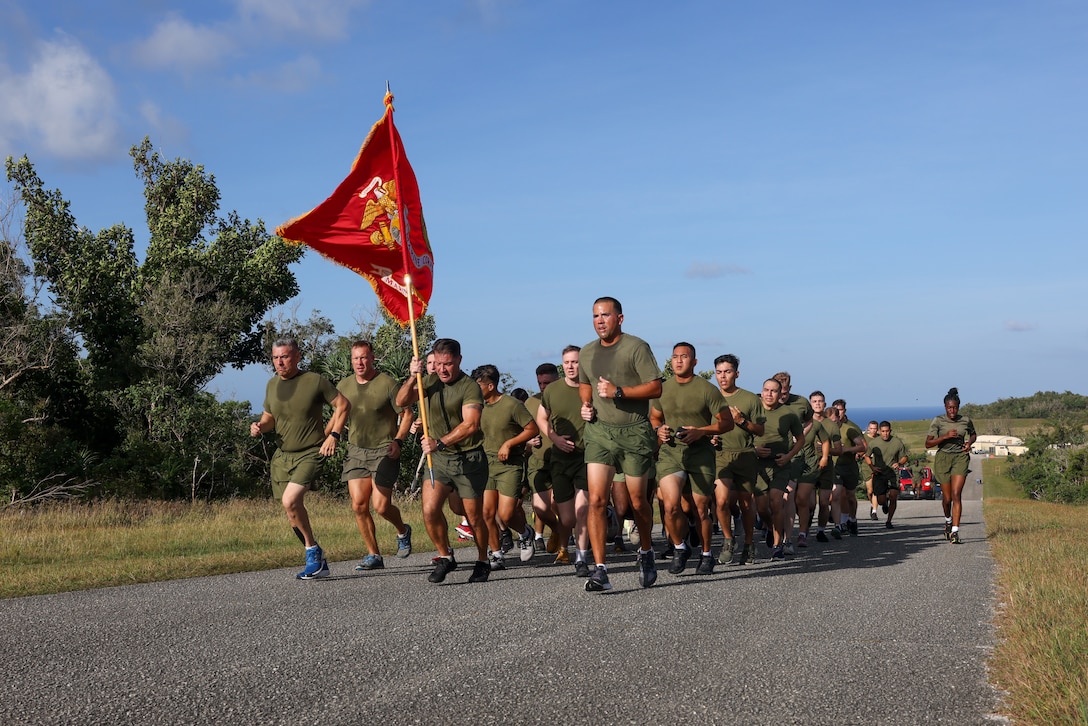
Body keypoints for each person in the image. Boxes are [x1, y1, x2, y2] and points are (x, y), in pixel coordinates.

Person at [578, 297, 662, 592]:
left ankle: (647, 552)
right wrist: (586, 405)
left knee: (638, 502)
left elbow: (655, 386)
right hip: (599, 432)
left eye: (605, 315)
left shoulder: (636, 347)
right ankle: (601, 570)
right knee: (597, 500)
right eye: (595, 316)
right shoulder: (587, 351)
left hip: (634, 432)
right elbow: (585, 383)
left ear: (620, 318)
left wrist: (619, 392)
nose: (599, 321)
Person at [250, 338, 351, 579]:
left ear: (297, 356)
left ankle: (312, 553)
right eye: (275, 357)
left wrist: (334, 435)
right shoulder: (272, 385)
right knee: (291, 510)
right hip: (283, 457)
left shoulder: (314, 381)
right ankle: (315, 555)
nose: (279, 362)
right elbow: (269, 418)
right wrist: (259, 427)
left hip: (311, 452)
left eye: (284, 356)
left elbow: (344, 405)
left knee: (290, 500)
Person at [395, 338, 491, 584]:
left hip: (468, 459)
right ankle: (446, 556)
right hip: (438, 461)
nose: (442, 369)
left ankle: (482, 560)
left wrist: (440, 442)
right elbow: (401, 401)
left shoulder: (470, 387)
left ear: (459, 360)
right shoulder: (428, 381)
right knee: (429, 510)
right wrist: (411, 376)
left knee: (473, 516)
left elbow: (471, 424)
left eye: (447, 364)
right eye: (437, 364)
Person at [650, 342, 732, 575]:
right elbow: (655, 417)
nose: (678, 361)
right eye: (675, 356)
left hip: (700, 455)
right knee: (670, 505)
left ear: (694, 362)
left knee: (700, 509)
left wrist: (702, 431)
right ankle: (679, 547)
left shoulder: (707, 390)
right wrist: (660, 430)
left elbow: (726, 423)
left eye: (684, 357)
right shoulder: (663, 388)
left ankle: (706, 554)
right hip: (671, 454)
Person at [336, 340, 415, 571]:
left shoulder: (387, 383)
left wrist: (398, 441)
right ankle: (374, 555)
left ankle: (403, 530)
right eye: (355, 358)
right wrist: (330, 435)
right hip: (356, 451)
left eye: (363, 357)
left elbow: (407, 414)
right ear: (351, 361)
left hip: (384, 449)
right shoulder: (345, 385)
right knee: (359, 506)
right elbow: (339, 414)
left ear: (372, 358)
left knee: (381, 506)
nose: (359, 362)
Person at [472, 364, 539, 570]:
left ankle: (525, 533)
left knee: (507, 514)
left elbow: (532, 428)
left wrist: (509, 443)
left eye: (478, 386)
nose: (475, 391)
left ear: (490, 386)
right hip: (486, 464)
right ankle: (497, 554)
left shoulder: (511, 405)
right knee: (487, 513)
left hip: (510, 465)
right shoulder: (476, 406)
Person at [538, 345, 592, 575]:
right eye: (567, 362)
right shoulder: (552, 390)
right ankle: (563, 544)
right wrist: (554, 438)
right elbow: (542, 418)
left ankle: (582, 558)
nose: (571, 366)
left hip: (587, 456)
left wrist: (592, 414)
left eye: (576, 362)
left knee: (582, 512)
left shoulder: (591, 388)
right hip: (560, 459)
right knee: (567, 517)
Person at [710, 354, 765, 566]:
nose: (723, 377)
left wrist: (741, 420)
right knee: (721, 501)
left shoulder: (750, 399)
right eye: (719, 372)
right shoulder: (711, 397)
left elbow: (760, 430)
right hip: (721, 455)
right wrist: (711, 438)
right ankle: (727, 539)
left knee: (745, 503)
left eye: (727, 372)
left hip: (745, 454)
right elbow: (706, 425)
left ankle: (749, 543)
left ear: (737, 374)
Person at [752, 378, 805, 559]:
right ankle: (768, 526)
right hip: (758, 465)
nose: (769, 394)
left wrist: (789, 456)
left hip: (780, 464)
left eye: (773, 391)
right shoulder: (754, 410)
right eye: (766, 390)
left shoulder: (788, 414)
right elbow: (743, 435)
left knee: (776, 501)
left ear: (780, 393)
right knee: (761, 508)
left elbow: (801, 439)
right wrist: (754, 451)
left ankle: (777, 545)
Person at [925, 387, 977, 544]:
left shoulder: (965, 420)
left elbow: (973, 434)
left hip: (960, 458)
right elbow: (928, 443)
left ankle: (955, 531)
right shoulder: (938, 421)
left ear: (958, 407)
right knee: (947, 498)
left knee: (956, 495)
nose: (952, 411)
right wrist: (945, 437)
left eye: (954, 407)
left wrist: (969, 442)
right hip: (943, 459)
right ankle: (948, 520)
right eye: (949, 408)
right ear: (945, 407)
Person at [523, 363, 563, 560]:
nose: (543, 387)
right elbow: (522, 432)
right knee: (540, 508)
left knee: (558, 504)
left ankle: (565, 545)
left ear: (557, 380)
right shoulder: (530, 403)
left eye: (547, 382)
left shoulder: (567, 397)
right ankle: (557, 529)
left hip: (562, 460)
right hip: (538, 460)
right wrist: (528, 441)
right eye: (539, 383)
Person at [863, 421, 909, 529]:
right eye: (883, 431)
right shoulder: (874, 443)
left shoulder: (897, 442)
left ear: (890, 431)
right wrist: (872, 467)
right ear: (880, 431)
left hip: (893, 473)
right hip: (879, 473)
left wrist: (899, 463)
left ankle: (889, 521)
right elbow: (866, 456)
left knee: (893, 496)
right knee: (881, 500)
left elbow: (905, 456)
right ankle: (884, 504)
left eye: (887, 431)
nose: (885, 434)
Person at [831, 399, 867, 536]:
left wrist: (848, 450)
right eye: (834, 410)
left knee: (850, 496)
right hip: (835, 467)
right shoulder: (827, 427)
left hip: (849, 466)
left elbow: (863, 446)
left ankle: (852, 520)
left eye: (839, 410)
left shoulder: (851, 428)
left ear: (844, 411)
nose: (836, 413)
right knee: (837, 495)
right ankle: (839, 525)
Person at [862, 420, 880, 520]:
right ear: (868, 428)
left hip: (877, 465)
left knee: (876, 489)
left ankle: (874, 511)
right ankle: (872, 504)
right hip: (866, 466)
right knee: (870, 490)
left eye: (875, 429)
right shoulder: (864, 438)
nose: (873, 431)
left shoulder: (879, 438)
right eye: (871, 428)